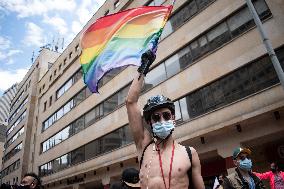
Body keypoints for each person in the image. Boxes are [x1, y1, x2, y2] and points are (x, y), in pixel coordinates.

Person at [126, 50, 205, 189]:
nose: (162, 120)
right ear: (150, 122)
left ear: (173, 119)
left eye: (166, 115)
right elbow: (130, 102)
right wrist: (143, 68)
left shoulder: (189, 153)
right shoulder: (143, 146)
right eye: (156, 117)